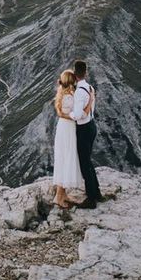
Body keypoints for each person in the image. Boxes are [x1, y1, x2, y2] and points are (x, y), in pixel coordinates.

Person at [52, 69, 93, 208]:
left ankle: (62, 194)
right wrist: (90, 101)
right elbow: (79, 114)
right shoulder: (71, 96)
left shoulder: (61, 94)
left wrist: (64, 116)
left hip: (63, 128)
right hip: (68, 129)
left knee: (63, 159)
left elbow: (61, 113)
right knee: (67, 159)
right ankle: (59, 197)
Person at [70, 59, 102, 209]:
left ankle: (91, 198)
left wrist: (67, 114)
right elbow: (89, 110)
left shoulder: (78, 92)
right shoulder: (90, 88)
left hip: (83, 129)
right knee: (88, 161)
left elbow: (77, 115)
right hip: (92, 126)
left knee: (84, 163)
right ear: (86, 72)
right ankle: (97, 193)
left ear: (75, 75)